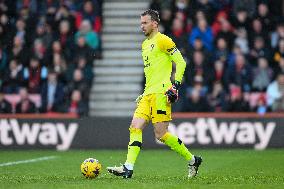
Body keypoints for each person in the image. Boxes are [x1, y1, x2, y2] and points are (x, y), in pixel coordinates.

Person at [107, 9, 202, 179]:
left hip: (161, 94)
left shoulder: (163, 40)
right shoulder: (144, 45)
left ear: (155, 24)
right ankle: (128, 168)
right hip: (148, 94)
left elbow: (180, 62)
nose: (141, 26)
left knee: (161, 134)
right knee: (135, 127)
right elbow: (151, 73)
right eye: (141, 23)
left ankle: (193, 160)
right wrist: (144, 92)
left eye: (144, 23)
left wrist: (176, 86)